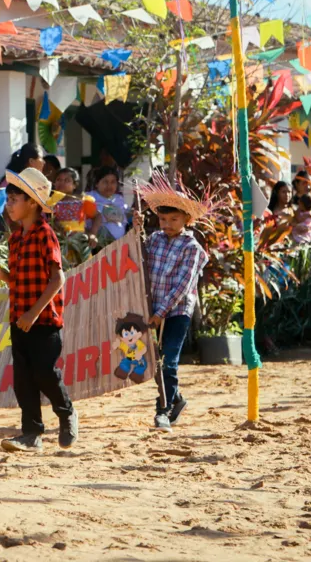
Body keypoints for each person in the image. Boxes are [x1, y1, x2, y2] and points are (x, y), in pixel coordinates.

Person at [0, 168, 77, 452]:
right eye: (8, 199)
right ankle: (31, 433)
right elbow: (18, 280)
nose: (9, 205)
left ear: (33, 203)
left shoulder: (44, 234)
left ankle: (66, 412)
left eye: (14, 199)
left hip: (45, 321)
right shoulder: (15, 239)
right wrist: (1, 274)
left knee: (44, 372)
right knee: (23, 379)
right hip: (20, 319)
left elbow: (57, 279)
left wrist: (33, 313)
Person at [133, 174, 211, 431]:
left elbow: (183, 286)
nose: (166, 224)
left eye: (173, 219)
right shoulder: (154, 239)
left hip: (176, 312)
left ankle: (163, 409)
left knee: (169, 359)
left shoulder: (193, 248)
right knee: (156, 358)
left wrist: (160, 312)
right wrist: (137, 230)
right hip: (153, 308)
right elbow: (138, 257)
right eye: (163, 219)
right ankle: (175, 399)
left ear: (187, 220)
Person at [88, 166, 128, 246]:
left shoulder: (119, 199)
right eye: (105, 182)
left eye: (113, 182)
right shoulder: (90, 197)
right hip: (98, 246)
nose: (109, 186)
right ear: (97, 183)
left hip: (119, 245)